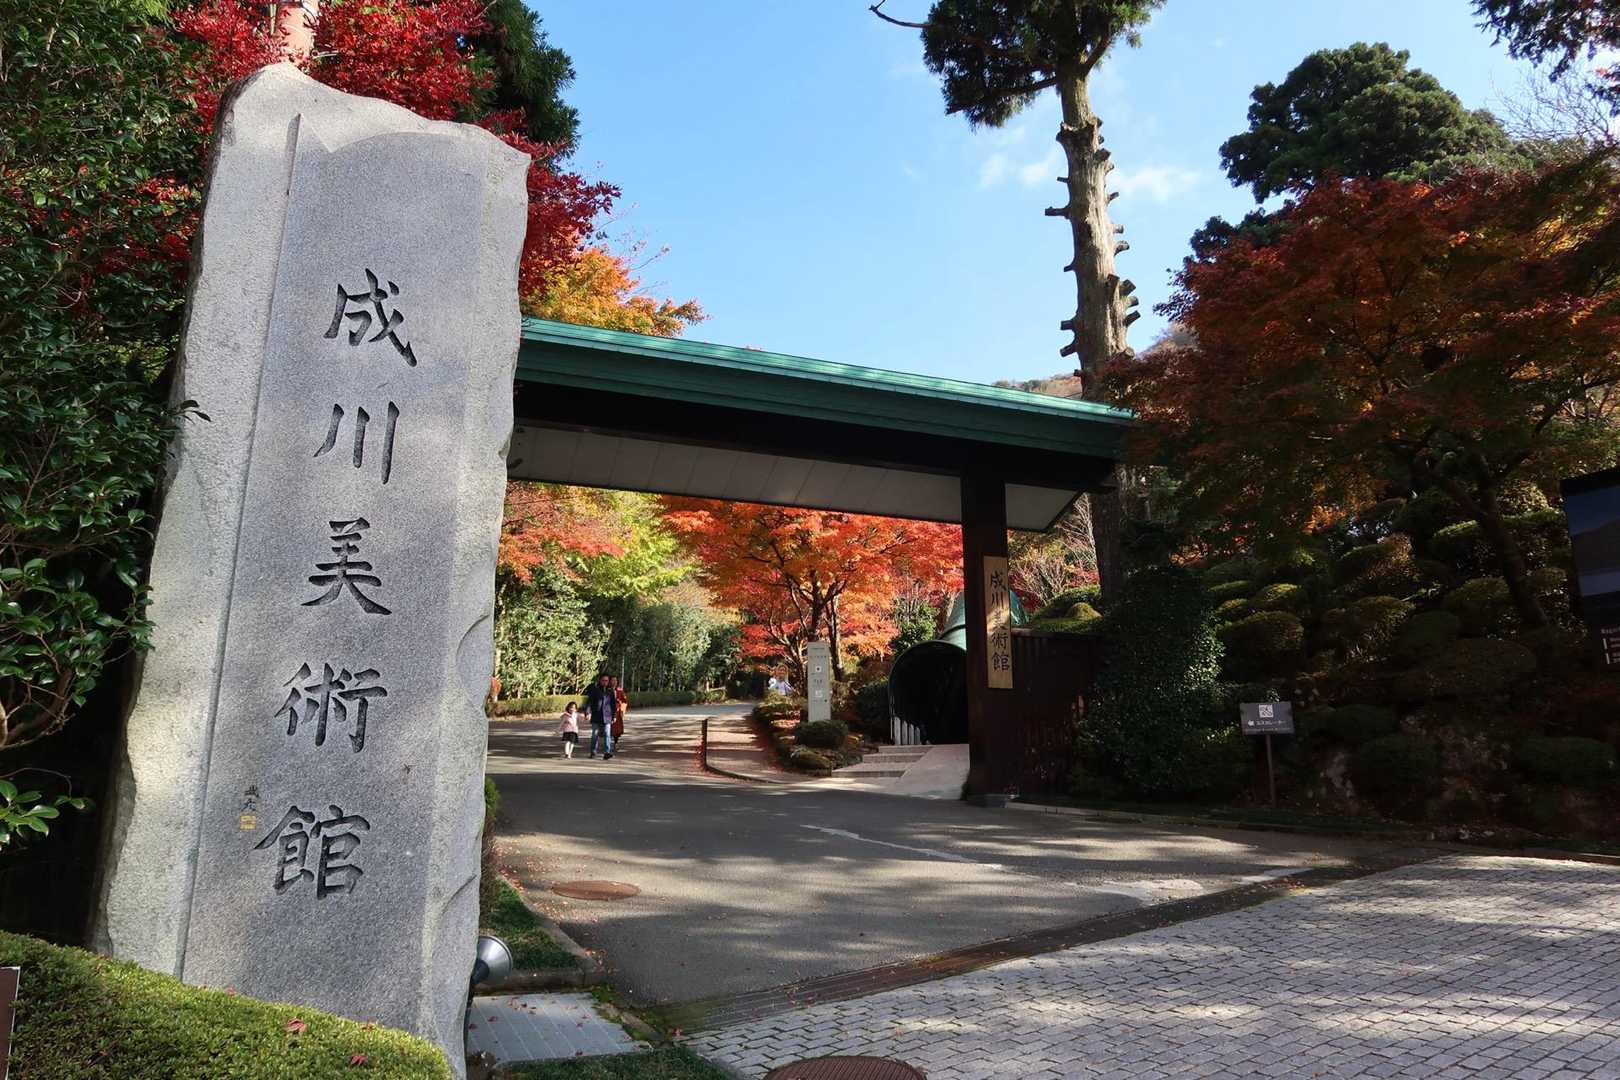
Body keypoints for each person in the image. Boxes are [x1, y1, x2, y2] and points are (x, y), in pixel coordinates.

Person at [584, 674, 615, 759]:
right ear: (600, 681)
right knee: (595, 734)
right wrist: (587, 712)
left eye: (606, 681)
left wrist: (614, 716)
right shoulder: (595, 690)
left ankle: (607, 752)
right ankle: (593, 751)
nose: (605, 682)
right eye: (603, 680)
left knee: (607, 734)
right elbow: (589, 702)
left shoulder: (610, 691)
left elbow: (613, 704)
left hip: (607, 716)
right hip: (596, 715)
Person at [611, 676, 628, 748]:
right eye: (612, 680)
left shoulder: (620, 690)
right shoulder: (607, 690)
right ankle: (608, 743)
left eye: (615, 680)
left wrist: (622, 709)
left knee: (617, 729)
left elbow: (624, 701)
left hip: (617, 712)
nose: (614, 682)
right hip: (608, 712)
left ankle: (616, 742)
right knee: (608, 728)